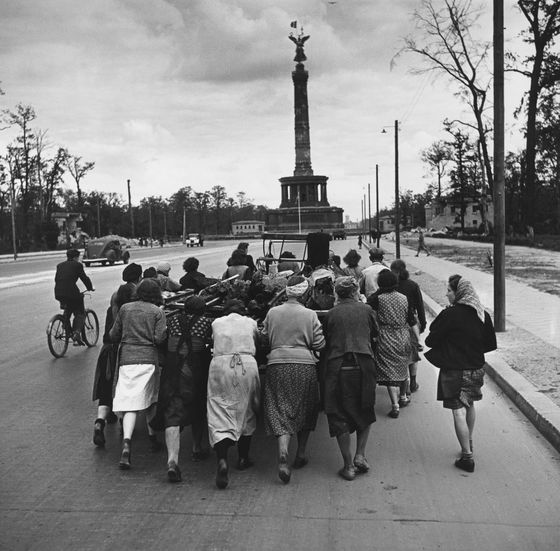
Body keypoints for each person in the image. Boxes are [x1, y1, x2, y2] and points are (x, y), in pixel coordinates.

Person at [424, 275, 496, 473]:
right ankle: (469, 442)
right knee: (470, 403)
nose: (446, 294)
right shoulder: (483, 314)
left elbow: (430, 341)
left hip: (455, 370)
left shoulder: (451, 314)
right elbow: (490, 345)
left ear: (458, 292)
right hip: (477, 368)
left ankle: (467, 457)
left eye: (449, 290)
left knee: (458, 411)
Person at [262, 276, 325, 484]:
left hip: (277, 365)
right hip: (304, 366)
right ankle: (301, 453)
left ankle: (282, 453)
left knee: (281, 408)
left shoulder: (272, 312)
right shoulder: (309, 314)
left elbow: (264, 338)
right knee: (305, 408)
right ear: (305, 293)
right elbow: (319, 344)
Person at [151, 296, 213, 482]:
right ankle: (196, 448)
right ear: (202, 310)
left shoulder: (172, 320)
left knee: (172, 413)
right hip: (195, 371)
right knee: (198, 408)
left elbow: (161, 341)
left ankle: (172, 460)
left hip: (173, 371)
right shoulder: (206, 322)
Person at [323, 277, 378, 481]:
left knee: (338, 414)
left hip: (338, 368)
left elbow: (325, 340)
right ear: (355, 292)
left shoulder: (331, 314)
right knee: (365, 408)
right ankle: (360, 455)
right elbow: (375, 335)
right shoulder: (367, 310)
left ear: (337, 293)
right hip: (364, 366)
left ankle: (348, 466)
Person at [110, 279, 167, 470]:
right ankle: (152, 438)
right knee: (150, 399)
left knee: (129, 404)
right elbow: (160, 339)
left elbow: (114, 334)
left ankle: (127, 442)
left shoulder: (125, 308)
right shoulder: (157, 312)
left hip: (127, 358)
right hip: (149, 359)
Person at [207, 299, 261, 489]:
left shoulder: (216, 323)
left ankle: (222, 459)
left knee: (219, 409)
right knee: (247, 409)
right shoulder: (251, 323)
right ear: (243, 311)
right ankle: (243, 457)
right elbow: (259, 342)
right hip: (247, 364)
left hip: (220, 365)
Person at [92, 263, 142, 447]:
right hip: (125, 351)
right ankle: (124, 422)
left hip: (107, 349)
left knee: (106, 390)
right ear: (139, 278)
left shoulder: (115, 297)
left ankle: (99, 422)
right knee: (124, 388)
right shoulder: (137, 302)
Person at [367, 270, 415, 418]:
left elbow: (370, 315)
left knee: (389, 370)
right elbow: (411, 319)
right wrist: (417, 339)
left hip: (386, 337)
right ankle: (403, 397)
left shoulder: (378, 299)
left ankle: (395, 405)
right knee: (403, 366)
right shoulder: (404, 298)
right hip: (403, 335)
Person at [390, 259, 426, 401]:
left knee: (401, 355)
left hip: (397, 324)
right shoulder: (413, 285)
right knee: (413, 354)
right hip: (412, 324)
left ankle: (404, 386)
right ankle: (413, 381)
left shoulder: (392, 286)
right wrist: (422, 323)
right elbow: (420, 306)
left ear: (397, 271)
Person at [54, 248, 94, 345]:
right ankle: (76, 333)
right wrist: (90, 287)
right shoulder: (77, 265)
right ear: (76, 257)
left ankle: (65, 324)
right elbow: (84, 278)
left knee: (68, 309)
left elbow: (57, 279)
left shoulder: (60, 265)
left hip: (58, 292)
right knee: (80, 312)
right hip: (71, 292)